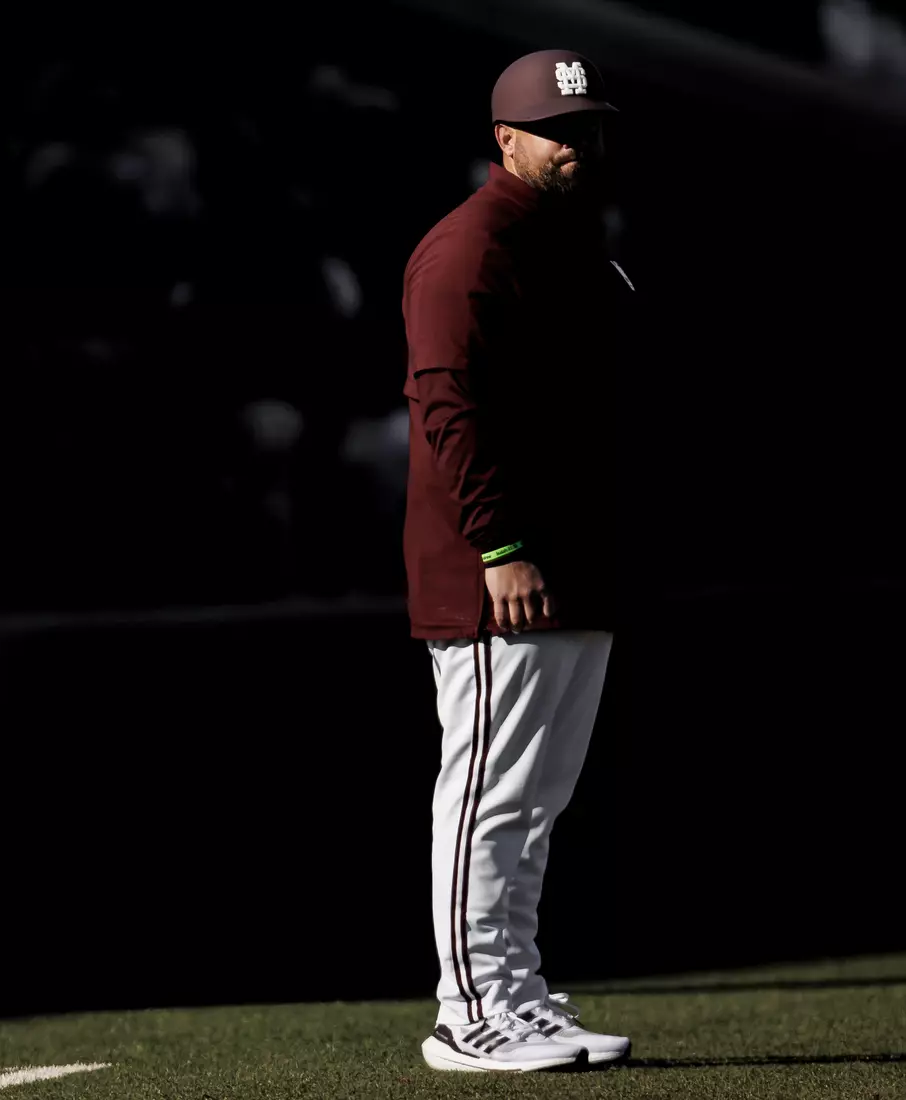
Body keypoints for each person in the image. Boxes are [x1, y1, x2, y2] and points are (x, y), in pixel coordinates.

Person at [400, 49, 634, 1073]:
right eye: (556, 128)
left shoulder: (569, 239)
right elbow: (447, 406)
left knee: (534, 800)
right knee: (492, 789)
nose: (577, 143)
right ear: (506, 139)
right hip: (500, 571)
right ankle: (469, 1011)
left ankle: (516, 991)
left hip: (575, 559)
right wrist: (500, 544)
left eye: (585, 126)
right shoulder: (471, 245)